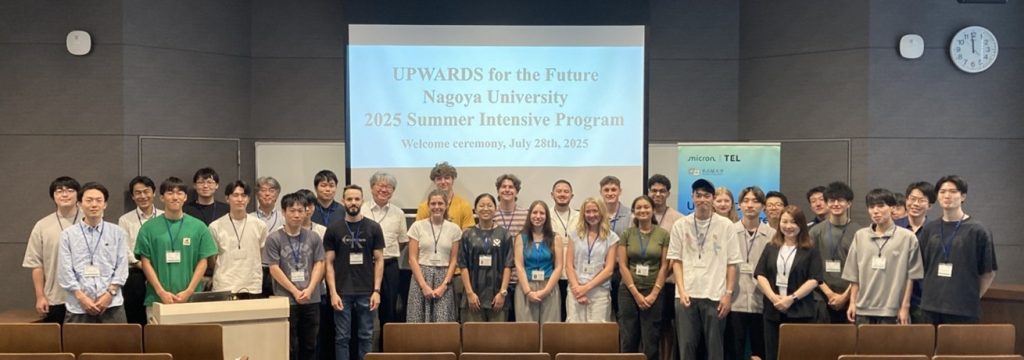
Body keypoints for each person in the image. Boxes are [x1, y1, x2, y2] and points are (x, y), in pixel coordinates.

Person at [668, 179, 741, 360]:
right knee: (686, 348)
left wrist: (728, 294)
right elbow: (676, 261)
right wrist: (682, 290)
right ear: (692, 197)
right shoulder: (680, 225)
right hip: (686, 296)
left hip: (715, 295)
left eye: (706, 196)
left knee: (715, 349)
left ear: (713, 199)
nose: (702, 200)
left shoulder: (726, 226)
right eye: (698, 195)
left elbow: (732, 263)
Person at [918, 175, 997, 324]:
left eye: (953, 191)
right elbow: (923, 266)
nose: (947, 195)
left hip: (963, 309)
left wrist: (972, 296)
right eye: (942, 191)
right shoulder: (929, 229)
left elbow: (988, 272)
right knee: (928, 347)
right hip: (930, 307)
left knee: (960, 348)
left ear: (963, 196)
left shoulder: (978, 230)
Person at [135, 177, 218, 317]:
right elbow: (145, 261)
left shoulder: (199, 227)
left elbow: (203, 261)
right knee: (158, 338)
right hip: (157, 298)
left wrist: (189, 291)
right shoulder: (148, 228)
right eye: (170, 193)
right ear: (161, 197)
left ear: (185, 197)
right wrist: (161, 292)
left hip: (191, 298)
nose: (175, 197)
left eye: (179, 193)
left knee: (192, 337)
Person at [843, 188, 923, 324]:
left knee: (892, 346)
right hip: (863, 309)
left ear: (892, 208)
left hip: (892, 310)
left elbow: (912, 276)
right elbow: (853, 274)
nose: (875, 211)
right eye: (871, 207)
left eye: (881, 206)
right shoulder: (860, 236)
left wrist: (905, 307)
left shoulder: (907, 237)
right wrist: (852, 302)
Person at [324, 185, 385, 360]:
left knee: (366, 337)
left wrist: (376, 290)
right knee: (342, 338)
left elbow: (379, 259)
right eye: (349, 199)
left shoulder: (373, 227)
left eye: (357, 199)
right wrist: (333, 293)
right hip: (342, 292)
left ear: (362, 201)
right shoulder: (333, 229)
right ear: (343, 201)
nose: (353, 203)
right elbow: (328, 262)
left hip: (367, 291)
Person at [755, 206, 823, 360]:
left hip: (801, 311)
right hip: (773, 310)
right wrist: (773, 297)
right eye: (784, 222)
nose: (788, 226)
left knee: (797, 354)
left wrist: (791, 298)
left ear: (801, 224)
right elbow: (760, 274)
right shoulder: (771, 247)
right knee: (772, 354)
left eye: (793, 222)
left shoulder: (810, 249)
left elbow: (814, 279)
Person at [264, 193, 325, 360]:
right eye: (292, 210)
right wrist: (295, 291)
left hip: (311, 298)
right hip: (286, 299)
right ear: (283, 212)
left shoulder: (314, 237)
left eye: (300, 210)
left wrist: (310, 288)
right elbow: (274, 268)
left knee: (310, 344)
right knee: (289, 345)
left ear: (306, 212)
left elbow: (320, 263)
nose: (297, 215)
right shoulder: (274, 238)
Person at [58, 182, 129, 323]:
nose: (94, 205)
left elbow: (122, 267)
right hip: (78, 306)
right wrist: (82, 298)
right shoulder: (68, 235)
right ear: (79, 204)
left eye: (98, 200)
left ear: (105, 204)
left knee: (119, 344)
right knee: (77, 345)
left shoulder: (117, 233)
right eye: (89, 200)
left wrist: (110, 294)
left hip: (112, 304)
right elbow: (65, 271)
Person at [725, 186, 775, 360]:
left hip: (761, 302)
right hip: (734, 301)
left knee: (760, 352)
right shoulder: (728, 231)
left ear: (763, 206)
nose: (750, 205)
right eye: (746, 201)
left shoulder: (773, 235)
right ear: (739, 205)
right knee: (733, 351)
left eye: (755, 201)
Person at [617, 195, 670, 360]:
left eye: (646, 207)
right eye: (638, 207)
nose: (642, 210)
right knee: (628, 337)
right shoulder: (627, 234)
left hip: (654, 290)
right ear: (633, 212)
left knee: (651, 339)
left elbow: (665, 266)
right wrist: (635, 293)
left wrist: (654, 293)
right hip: (628, 291)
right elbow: (623, 265)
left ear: (653, 210)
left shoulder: (663, 234)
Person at [24, 176, 82, 323]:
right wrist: (40, 296)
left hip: (88, 297)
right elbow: (36, 265)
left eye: (70, 190)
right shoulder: (42, 225)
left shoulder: (90, 220)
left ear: (78, 195)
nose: (64, 194)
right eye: (59, 191)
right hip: (56, 297)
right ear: (53, 196)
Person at [360, 172, 407, 348]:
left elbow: (402, 241)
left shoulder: (398, 213)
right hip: (363, 267)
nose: (384, 189)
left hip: (389, 266)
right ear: (372, 188)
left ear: (393, 191)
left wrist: (385, 254)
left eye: (389, 187)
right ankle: (366, 350)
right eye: (380, 185)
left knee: (389, 309)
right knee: (365, 309)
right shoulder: (361, 209)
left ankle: (387, 350)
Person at [809, 181, 860, 324]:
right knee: (821, 344)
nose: (836, 204)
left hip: (850, 299)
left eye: (841, 200)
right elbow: (812, 267)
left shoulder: (859, 232)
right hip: (820, 298)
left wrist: (844, 297)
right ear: (826, 203)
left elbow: (860, 270)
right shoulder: (815, 231)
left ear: (849, 203)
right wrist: (829, 293)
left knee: (848, 344)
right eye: (832, 200)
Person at [407, 189, 461, 322]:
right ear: (428, 205)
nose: (437, 207)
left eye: (440, 203)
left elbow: (454, 260)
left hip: (444, 278)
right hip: (421, 276)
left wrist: (444, 285)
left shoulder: (454, 229)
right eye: (433, 203)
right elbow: (412, 258)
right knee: (417, 320)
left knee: (442, 321)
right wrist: (423, 285)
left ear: (446, 205)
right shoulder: (417, 226)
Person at [458, 193, 513, 322]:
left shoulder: (504, 234)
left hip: (497, 295)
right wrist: (469, 293)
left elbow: (508, 265)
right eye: (481, 206)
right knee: (473, 337)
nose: (485, 209)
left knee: (497, 338)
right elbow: (463, 265)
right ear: (475, 209)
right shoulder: (467, 235)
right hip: (473, 295)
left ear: (495, 208)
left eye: (489, 205)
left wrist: (502, 293)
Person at [117, 176, 163, 325]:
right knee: (135, 313)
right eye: (138, 193)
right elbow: (124, 247)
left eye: (146, 191)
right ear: (132, 196)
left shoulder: (164, 216)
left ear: (154, 193)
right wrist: (138, 263)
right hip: (135, 272)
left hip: (160, 270)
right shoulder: (125, 219)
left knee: (158, 312)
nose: (143, 196)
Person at [209, 180, 267, 297]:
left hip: (252, 285)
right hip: (225, 285)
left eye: (244, 195)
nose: (240, 199)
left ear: (249, 199)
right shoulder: (215, 226)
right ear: (227, 198)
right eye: (235, 195)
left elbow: (261, 253)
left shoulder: (260, 225)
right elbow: (212, 258)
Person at [565, 198, 619, 322]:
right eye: (587, 211)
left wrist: (586, 288)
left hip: (599, 292)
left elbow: (609, 270)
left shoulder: (611, 237)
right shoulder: (574, 235)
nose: (591, 215)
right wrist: (577, 289)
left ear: (601, 212)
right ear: (583, 214)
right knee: (574, 332)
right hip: (575, 291)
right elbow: (569, 265)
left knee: (597, 334)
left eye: (595, 211)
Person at [647, 174, 683, 359]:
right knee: (650, 327)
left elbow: (677, 253)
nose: (658, 194)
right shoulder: (640, 213)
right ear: (649, 192)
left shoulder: (678, 219)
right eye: (654, 190)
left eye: (662, 191)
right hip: (644, 283)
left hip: (668, 282)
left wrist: (661, 275)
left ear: (668, 193)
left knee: (667, 326)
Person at [514, 200, 564, 323]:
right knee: (526, 331)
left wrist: (546, 290)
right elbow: (519, 266)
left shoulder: (555, 238)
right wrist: (528, 291)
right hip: (526, 287)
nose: (538, 216)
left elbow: (558, 267)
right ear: (529, 215)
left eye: (542, 213)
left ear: (547, 216)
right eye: (534, 212)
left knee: (549, 331)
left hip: (549, 286)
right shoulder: (521, 237)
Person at [897, 181, 936, 324]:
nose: (915, 204)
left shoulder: (935, 230)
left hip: (924, 298)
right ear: (906, 200)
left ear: (930, 205)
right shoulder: (894, 227)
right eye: (912, 199)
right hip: (895, 296)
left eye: (921, 200)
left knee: (921, 342)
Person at [550, 179, 579, 321]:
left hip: (575, 274)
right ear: (552, 194)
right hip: (552, 274)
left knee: (572, 316)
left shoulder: (581, 216)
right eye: (559, 191)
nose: (562, 194)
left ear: (572, 195)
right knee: (555, 316)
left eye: (566, 191)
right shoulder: (544, 215)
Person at [415, 162, 475, 229]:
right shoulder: (424, 207)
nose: (443, 182)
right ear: (434, 181)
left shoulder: (464, 205)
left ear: (453, 180)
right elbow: (418, 231)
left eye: (447, 178)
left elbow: (467, 235)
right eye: (439, 179)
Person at [253, 176, 283, 298]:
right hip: (257, 269)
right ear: (256, 194)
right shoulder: (250, 218)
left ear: (277, 195)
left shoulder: (285, 218)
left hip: (280, 268)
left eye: (271, 190)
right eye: (263, 190)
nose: (267, 194)